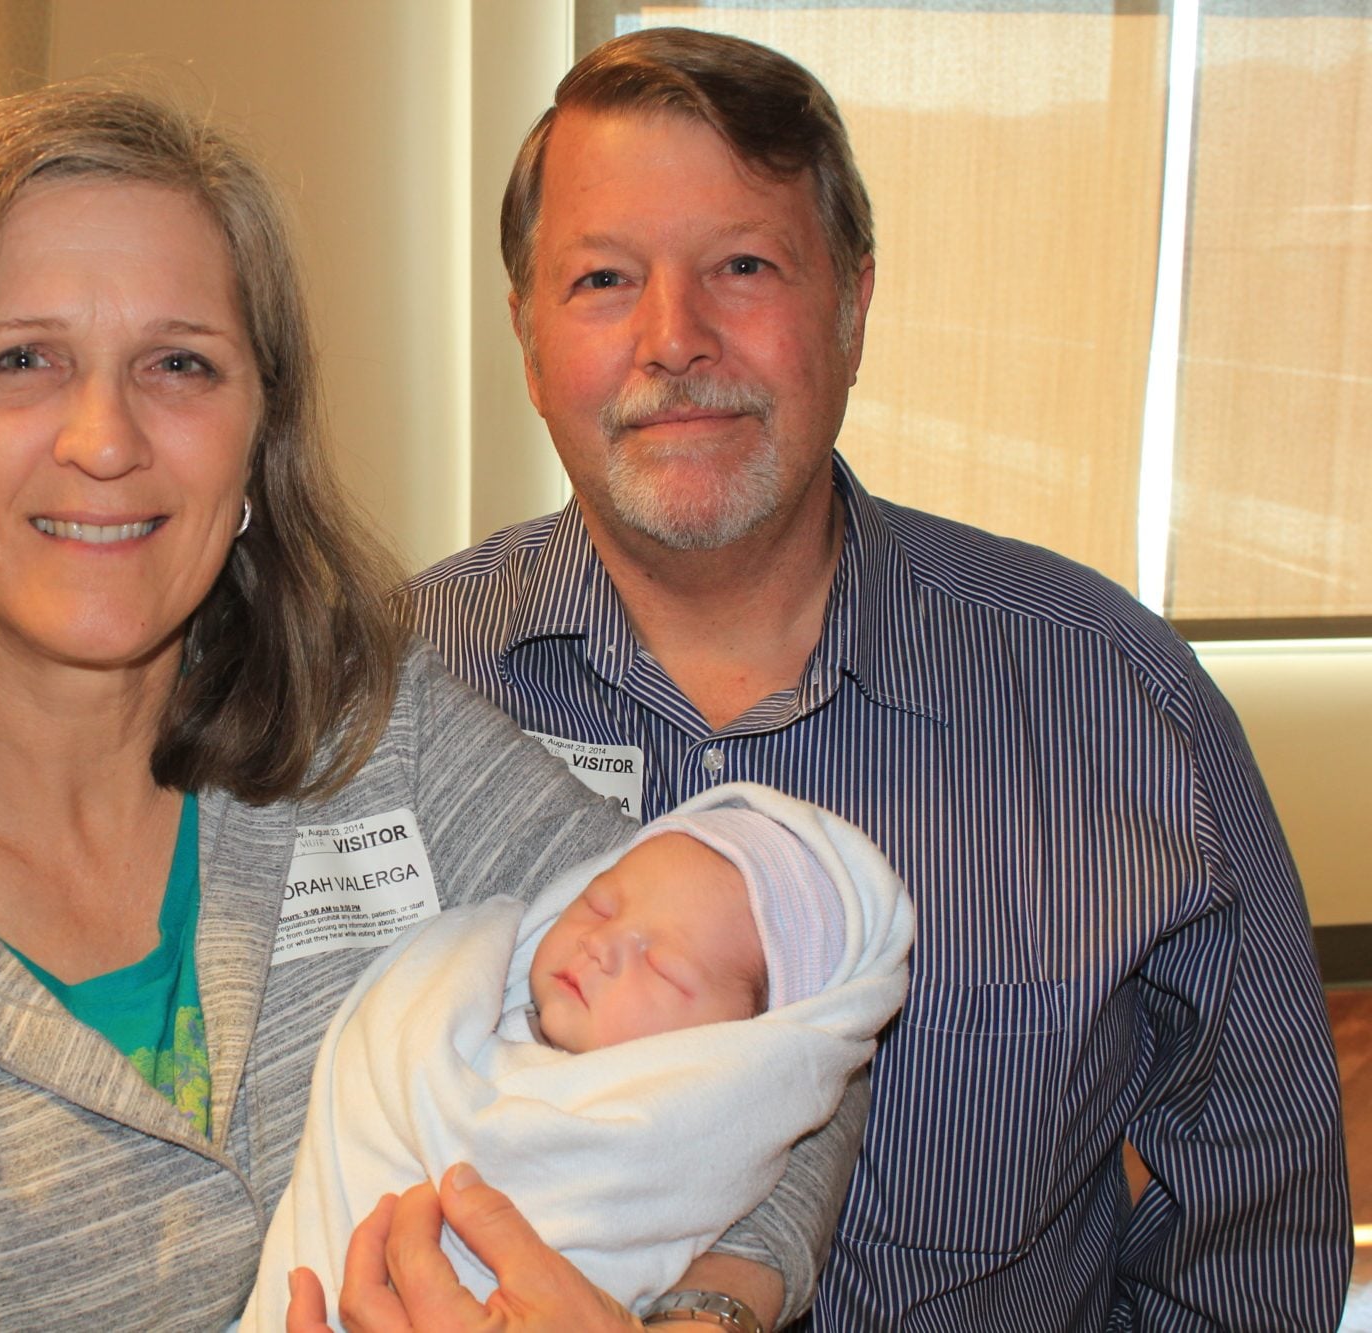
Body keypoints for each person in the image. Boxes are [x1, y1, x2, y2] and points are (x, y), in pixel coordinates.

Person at [0, 84, 847, 1331]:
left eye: (179, 364)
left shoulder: (373, 736)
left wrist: (697, 1316)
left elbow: (778, 1019)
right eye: (21, 360)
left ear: (258, 434)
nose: (105, 439)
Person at [406, 26, 1352, 1330]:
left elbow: (1253, 1222)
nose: (674, 338)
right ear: (526, 338)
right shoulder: (373, 701)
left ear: (851, 308)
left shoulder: (1119, 703)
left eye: (742, 266)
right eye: (604, 278)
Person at [243, 782, 912, 1331]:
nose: (602, 943)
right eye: (599, 903)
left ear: (741, 1055)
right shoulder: (468, 1006)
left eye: (664, 966)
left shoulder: (671, 1140)